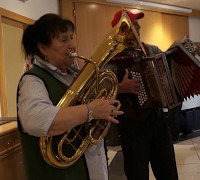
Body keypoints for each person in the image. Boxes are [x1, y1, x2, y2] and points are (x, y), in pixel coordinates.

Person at [17, 13, 123, 180]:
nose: (72, 45)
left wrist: (103, 113)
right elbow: (35, 119)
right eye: (63, 40)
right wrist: (90, 111)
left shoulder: (74, 74)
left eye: (71, 38)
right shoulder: (33, 80)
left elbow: (89, 119)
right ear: (43, 48)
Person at [106, 10, 178, 180]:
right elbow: (99, 90)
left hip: (158, 121)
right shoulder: (110, 57)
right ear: (121, 30)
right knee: (137, 174)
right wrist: (120, 87)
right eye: (134, 24)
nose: (138, 27)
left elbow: (172, 62)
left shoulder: (151, 49)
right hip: (131, 126)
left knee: (168, 171)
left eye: (137, 24)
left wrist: (198, 54)